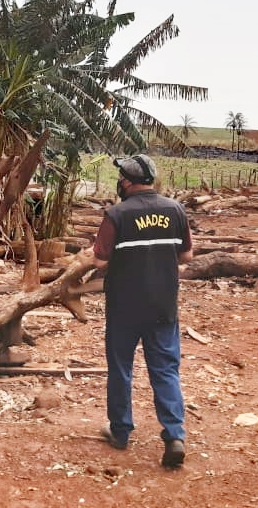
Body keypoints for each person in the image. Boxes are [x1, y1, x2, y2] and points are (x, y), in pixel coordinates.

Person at [91, 154, 193, 469]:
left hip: (124, 307)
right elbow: (186, 255)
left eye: (120, 177)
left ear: (127, 182)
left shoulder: (117, 214)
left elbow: (99, 263)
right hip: (163, 306)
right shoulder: (174, 210)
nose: (118, 182)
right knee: (165, 369)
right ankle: (174, 435)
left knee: (121, 368)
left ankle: (120, 432)